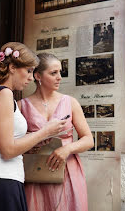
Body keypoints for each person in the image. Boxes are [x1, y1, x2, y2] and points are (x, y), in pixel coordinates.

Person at [0, 43, 67, 211]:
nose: (30, 77)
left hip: (5, 180)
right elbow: (7, 150)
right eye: (28, 71)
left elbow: (8, 140)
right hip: (2, 182)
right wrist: (45, 131)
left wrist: (32, 138)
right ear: (12, 67)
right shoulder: (4, 94)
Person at [18, 53, 94, 211]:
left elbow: (88, 139)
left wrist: (67, 149)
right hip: (36, 173)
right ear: (37, 75)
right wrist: (31, 144)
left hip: (68, 171)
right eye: (53, 73)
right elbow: (13, 142)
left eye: (60, 72)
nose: (59, 77)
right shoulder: (21, 106)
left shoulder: (70, 102)